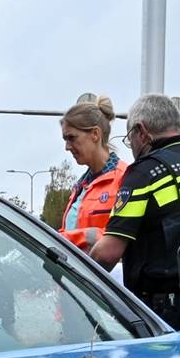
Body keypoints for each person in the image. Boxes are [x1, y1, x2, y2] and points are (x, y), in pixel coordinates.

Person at [90, 94, 180, 328]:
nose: (133, 148)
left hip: (165, 318)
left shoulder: (146, 172)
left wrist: (75, 282)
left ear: (142, 131)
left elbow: (107, 253)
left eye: (131, 139)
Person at [57, 96, 125, 252]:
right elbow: (68, 234)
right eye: (65, 139)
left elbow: (124, 239)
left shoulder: (125, 179)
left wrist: (71, 239)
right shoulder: (80, 187)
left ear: (95, 134)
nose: (67, 147)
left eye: (72, 138)